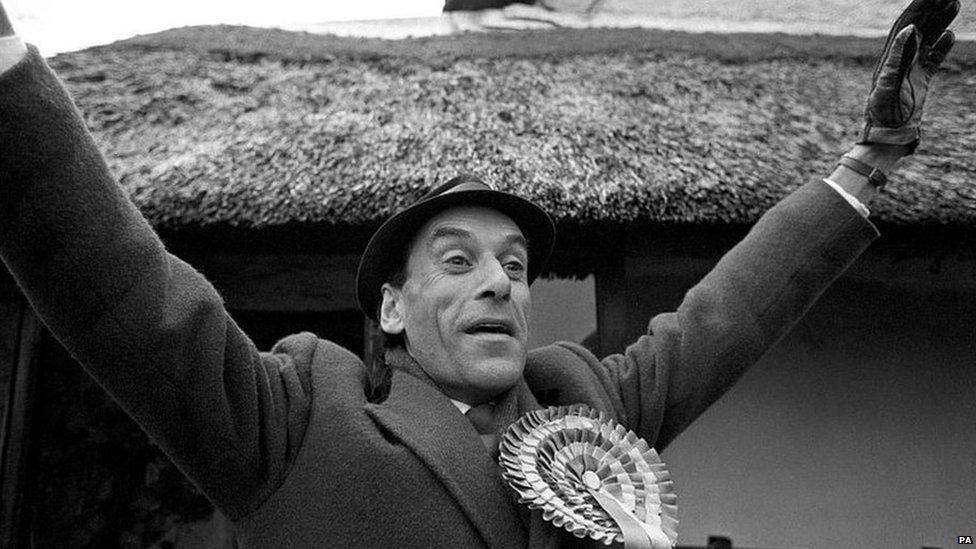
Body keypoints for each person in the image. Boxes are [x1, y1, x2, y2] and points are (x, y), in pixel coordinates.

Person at [0, 0, 961, 547]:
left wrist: (864, 167)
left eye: (513, 264)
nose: (500, 282)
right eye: (457, 263)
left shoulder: (585, 406)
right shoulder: (291, 414)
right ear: (388, 305)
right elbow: (125, 290)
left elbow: (727, 314)